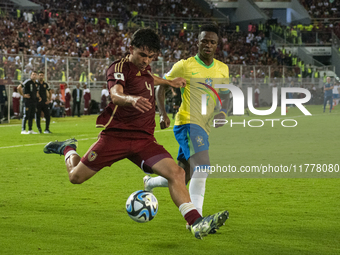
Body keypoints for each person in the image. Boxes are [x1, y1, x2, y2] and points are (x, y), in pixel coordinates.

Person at [43, 28, 228, 239]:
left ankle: (196, 222)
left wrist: (169, 82)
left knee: (177, 173)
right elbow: (115, 94)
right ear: (131, 49)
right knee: (75, 177)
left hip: (143, 140)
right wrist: (131, 100)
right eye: (142, 55)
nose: (146, 60)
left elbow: (150, 79)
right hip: (116, 137)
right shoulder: (118, 67)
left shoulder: (146, 69)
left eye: (151, 57)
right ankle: (68, 148)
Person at [143, 24, 230, 221]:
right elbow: (161, 87)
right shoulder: (184, 65)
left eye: (212, 42)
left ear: (217, 45)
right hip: (187, 123)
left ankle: (150, 182)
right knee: (203, 167)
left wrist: (224, 112)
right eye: (204, 41)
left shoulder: (222, 69)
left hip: (204, 127)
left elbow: (226, 94)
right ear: (197, 42)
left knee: (182, 175)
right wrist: (162, 113)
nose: (208, 45)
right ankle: (196, 221)